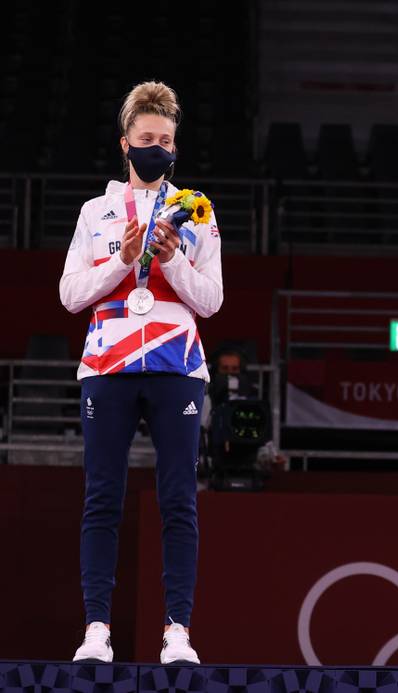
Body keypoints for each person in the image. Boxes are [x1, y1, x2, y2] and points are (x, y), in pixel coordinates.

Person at [59, 81, 223, 663]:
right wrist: (122, 261)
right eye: (147, 138)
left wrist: (173, 258)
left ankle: (178, 631)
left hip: (177, 365)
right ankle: (96, 630)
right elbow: (70, 294)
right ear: (125, 142)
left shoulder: (197, 210)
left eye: (167, 140)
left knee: (179, 500)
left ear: (175, 147)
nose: (158, 147)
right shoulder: (94, 212)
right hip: (107, 365)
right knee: (102, 498)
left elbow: (211, 301)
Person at [201, 347, 287, 471]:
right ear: (216, 371)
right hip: (214, 469)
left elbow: (264, 441)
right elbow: (198, 437)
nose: (230, 374)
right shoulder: (206, 401)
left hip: (247, 468)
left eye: (235, 369)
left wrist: (272, 458)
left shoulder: (253, 404)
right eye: (225, 369)